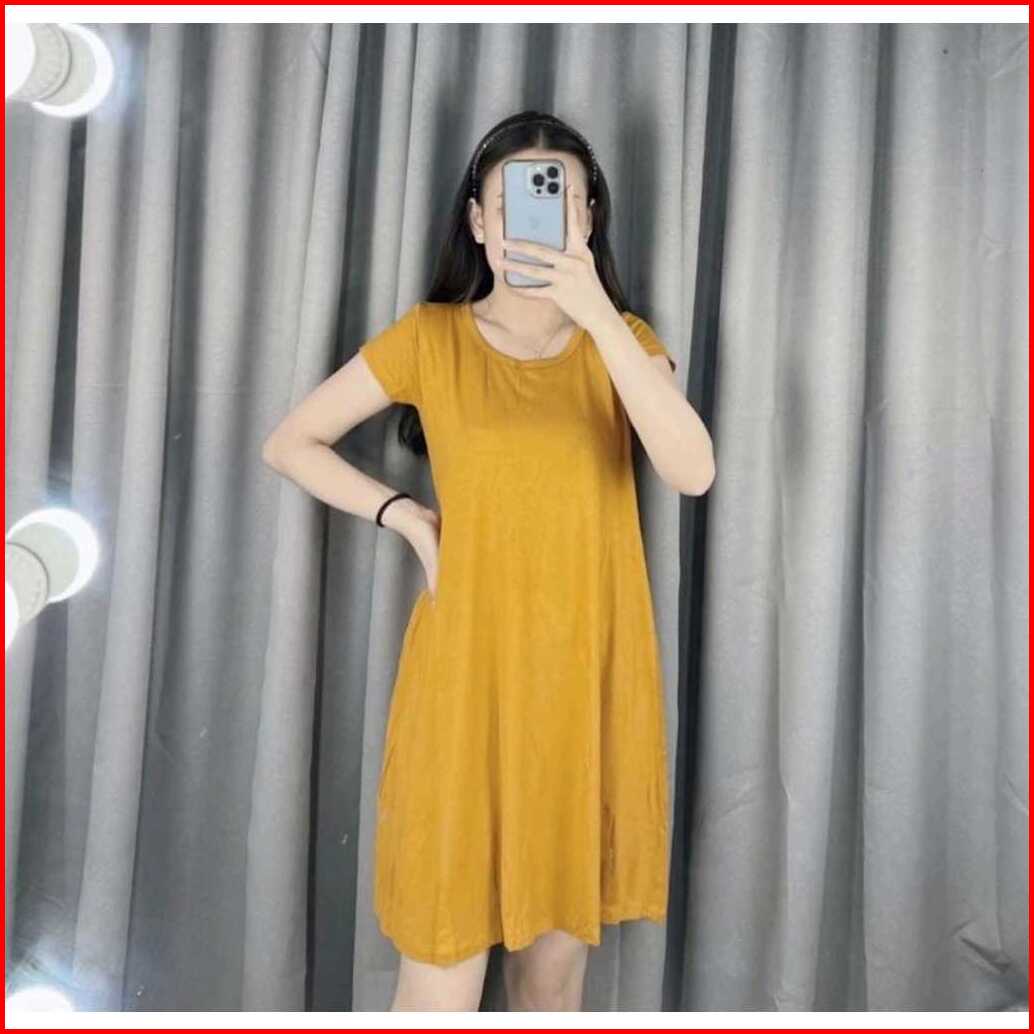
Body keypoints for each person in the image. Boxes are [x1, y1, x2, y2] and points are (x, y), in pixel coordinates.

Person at [262, 110, 716, 1011]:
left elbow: (692, 470)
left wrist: (596, 314)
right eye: (511, 204)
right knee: (439, 980)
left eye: (560, 200)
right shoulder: (430, 339)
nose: (533, 222)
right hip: (466, 689)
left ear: (587, 219)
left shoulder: (622, 343)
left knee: (549, 990)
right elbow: (290, 443)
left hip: (582, 694)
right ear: (478, 221)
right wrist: (404, 516)